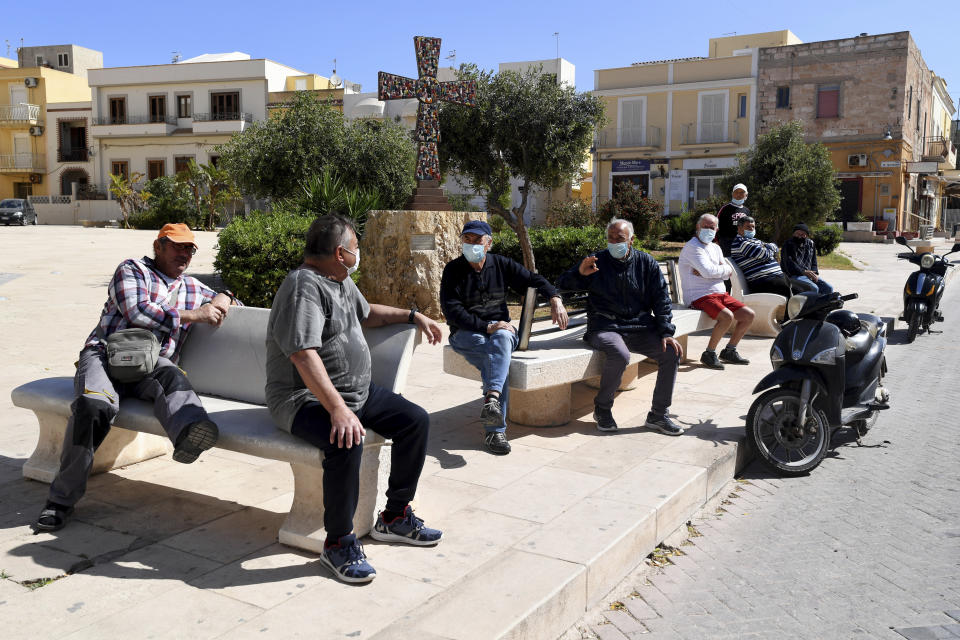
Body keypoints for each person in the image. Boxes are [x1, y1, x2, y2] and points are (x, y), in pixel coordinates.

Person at [265, 214, 445, 584]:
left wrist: (414, 316)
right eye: (356, 249)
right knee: (346, 440)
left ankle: (395, 517)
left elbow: (369, 314)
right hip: (302, 399)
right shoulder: (304, 287)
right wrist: (337, 409)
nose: (358, 255)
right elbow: (302, 354)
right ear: (339, 252)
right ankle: (338, 543)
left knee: (416, 421)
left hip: (355, 394)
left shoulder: (341, 280)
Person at [36, 223, 241, 532]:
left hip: (151, 366)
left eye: (190, 249)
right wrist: (195, 314)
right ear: (158, 246)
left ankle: (190, 434)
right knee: (93, 407)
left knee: (173, 378)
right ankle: (60, 501)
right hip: (106, 354)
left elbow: (231, 304)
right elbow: (138, 312)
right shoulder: (133, 269)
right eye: (177, 246)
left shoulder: (193, 287)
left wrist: (224, 297)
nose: (184, 253)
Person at [440, 220, 569, 455]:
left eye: (477, 240)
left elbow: (534, 279)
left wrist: (554, 297)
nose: (471, 244)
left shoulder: (500, 264)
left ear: (488, 243)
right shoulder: (453, 270)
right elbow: (451, 311)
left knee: (501, 339)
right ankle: (494, 427)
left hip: (501, 333)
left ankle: (492, 402)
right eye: (466, 239)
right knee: (499, 357)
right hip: (466, 334)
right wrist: (485, 326)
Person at [557, 219, 683, 435]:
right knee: (619, 354)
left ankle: (658, 415)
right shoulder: (596, 261)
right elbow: (563, 285)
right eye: (610, 238)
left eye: (620, 239)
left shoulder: (647, 263)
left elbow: (661, 299)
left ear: (631, 240)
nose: (614, 243)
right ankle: (603, 409)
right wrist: (579, 273)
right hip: (605, 326)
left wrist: (665, 332)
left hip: (639, 326)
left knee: (671, 352)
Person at [678, 214, 755, 370]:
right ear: (697, 228)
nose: (708, 230)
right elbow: (709, 271)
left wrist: (717, 271)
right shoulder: (692, 247)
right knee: (727, 317)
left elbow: (726, 271)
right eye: (705, 227)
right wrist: (718, 271)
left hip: (720, 294)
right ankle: (709, 353)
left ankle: (729, 350)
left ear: (717, 229)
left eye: (712, 227)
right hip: (699, 296)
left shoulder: (716, 247)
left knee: (748, 315)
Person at [730, 217, 816, 297]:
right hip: (763, 281)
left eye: (753, 227)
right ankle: (790, 313)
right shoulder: (741, 243)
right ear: (739, 228)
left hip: (776, 277)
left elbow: (774, 247)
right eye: (748, 227)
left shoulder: (754, 240)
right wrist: (769, 250)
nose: (752, 229)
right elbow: (765, 254)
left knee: (809, 288)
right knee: (801, 293)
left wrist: (768, 249)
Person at [781, 223, 835, 295]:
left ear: (806, 235)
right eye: (797, 233)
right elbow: (789, 264)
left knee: (828, 288)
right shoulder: (788, 244)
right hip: (793, 275)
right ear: (793, 234)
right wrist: (804, 272)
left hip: (808, 275)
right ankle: (810, 305)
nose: (799, 236)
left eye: (802, 234)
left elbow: (814, 261)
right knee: (814, 288)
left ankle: (822, 305)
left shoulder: (810, 243)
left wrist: (814, 273)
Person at [716, 183, 751, 256]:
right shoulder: (725, 209)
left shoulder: (747, 210)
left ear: (746, 195)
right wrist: (718, 241)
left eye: (742, 192)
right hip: (727, 243)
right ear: (732, 194)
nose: (738, 194)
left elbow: (750, 227)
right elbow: (716, 225)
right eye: (736, 192)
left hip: (743, 242)